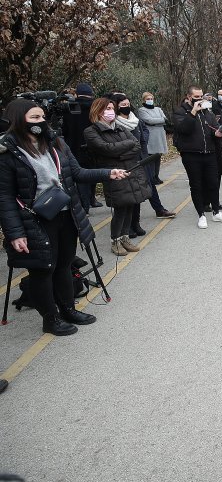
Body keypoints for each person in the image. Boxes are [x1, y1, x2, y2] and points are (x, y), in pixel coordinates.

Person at [0, 99, 129, 335]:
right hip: (35, 220)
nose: (41, 122)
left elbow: (77, 173)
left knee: (64, 264)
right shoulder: (8, 152)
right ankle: (50, 319)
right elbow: (5, 197)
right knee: (43, 270)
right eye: (34, 118)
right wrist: (15, 233)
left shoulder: (56, 142)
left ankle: (68, 309)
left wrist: (108, 173)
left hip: (66, 214)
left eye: (42, 117)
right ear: (18, 120)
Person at [84, 97, 153, 255]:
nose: (111, 112)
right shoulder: (91, 131)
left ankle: (125, 237)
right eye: (107, 108)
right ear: (98, 111)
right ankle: (115, 240)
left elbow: (136, 144)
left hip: (130, 170)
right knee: (120, 207)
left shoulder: (120, 127)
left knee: (131, 204)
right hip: (114, 174)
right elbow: (106, 149)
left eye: (111, 108)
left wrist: (120, 154)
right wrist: (123, 150)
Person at [111, 95, 176, 239]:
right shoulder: (115, 123)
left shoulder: (135, 120)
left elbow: (144, 132)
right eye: (123, 104)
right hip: (128, 161)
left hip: (142, 158)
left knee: (145, 187)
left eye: (128, 103)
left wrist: (142, 142)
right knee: (131, 193)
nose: (126, 106)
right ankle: (128, 227)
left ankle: (137, 222)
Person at [173, 85, 222, 228]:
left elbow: (213, 128)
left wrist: (218, 133)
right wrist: (193, 112)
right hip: (191, 155)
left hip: (209, 153)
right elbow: (183, 129)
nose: (200, 100)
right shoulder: (179, 111)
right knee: (196, 185)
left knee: (213, 183)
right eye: (196, 97)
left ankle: (216, 212)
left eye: (201, 96)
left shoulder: (207, 112)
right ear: (188, 97)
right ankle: (201, 215)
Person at [60, 82, 102, 209]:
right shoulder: (96, 107)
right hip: (94, 146)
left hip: (74, 146)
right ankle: (92, 199)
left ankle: (84, 205)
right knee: (93, 173)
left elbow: (64, 129)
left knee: (81, 176)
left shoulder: (69, 108)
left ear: (77, 94)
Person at [137, 91, 168, 184]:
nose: (150, 100)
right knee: (151, 157)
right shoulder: (141, 110)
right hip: (151, 135)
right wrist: (161, 121)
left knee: (158, 156)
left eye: (151, 99)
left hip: (160, 134)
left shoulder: (158, 109)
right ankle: (151, 177)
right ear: (144, 100)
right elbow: (149, 120)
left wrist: (158, 121)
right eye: (147, 99)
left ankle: (156, 176)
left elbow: (165, 118)